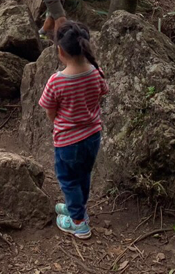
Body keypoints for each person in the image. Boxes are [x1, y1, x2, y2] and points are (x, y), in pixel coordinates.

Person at [38, 21, 109, 240]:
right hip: (92, 136)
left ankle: (78, 222)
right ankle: (76, 207)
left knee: (68, 180)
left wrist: (59, 121)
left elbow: (50, 110)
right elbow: (101, 94)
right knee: (83, 176)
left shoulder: (56, 81)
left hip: (68, 142)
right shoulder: (96, 73)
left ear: (60, 50)